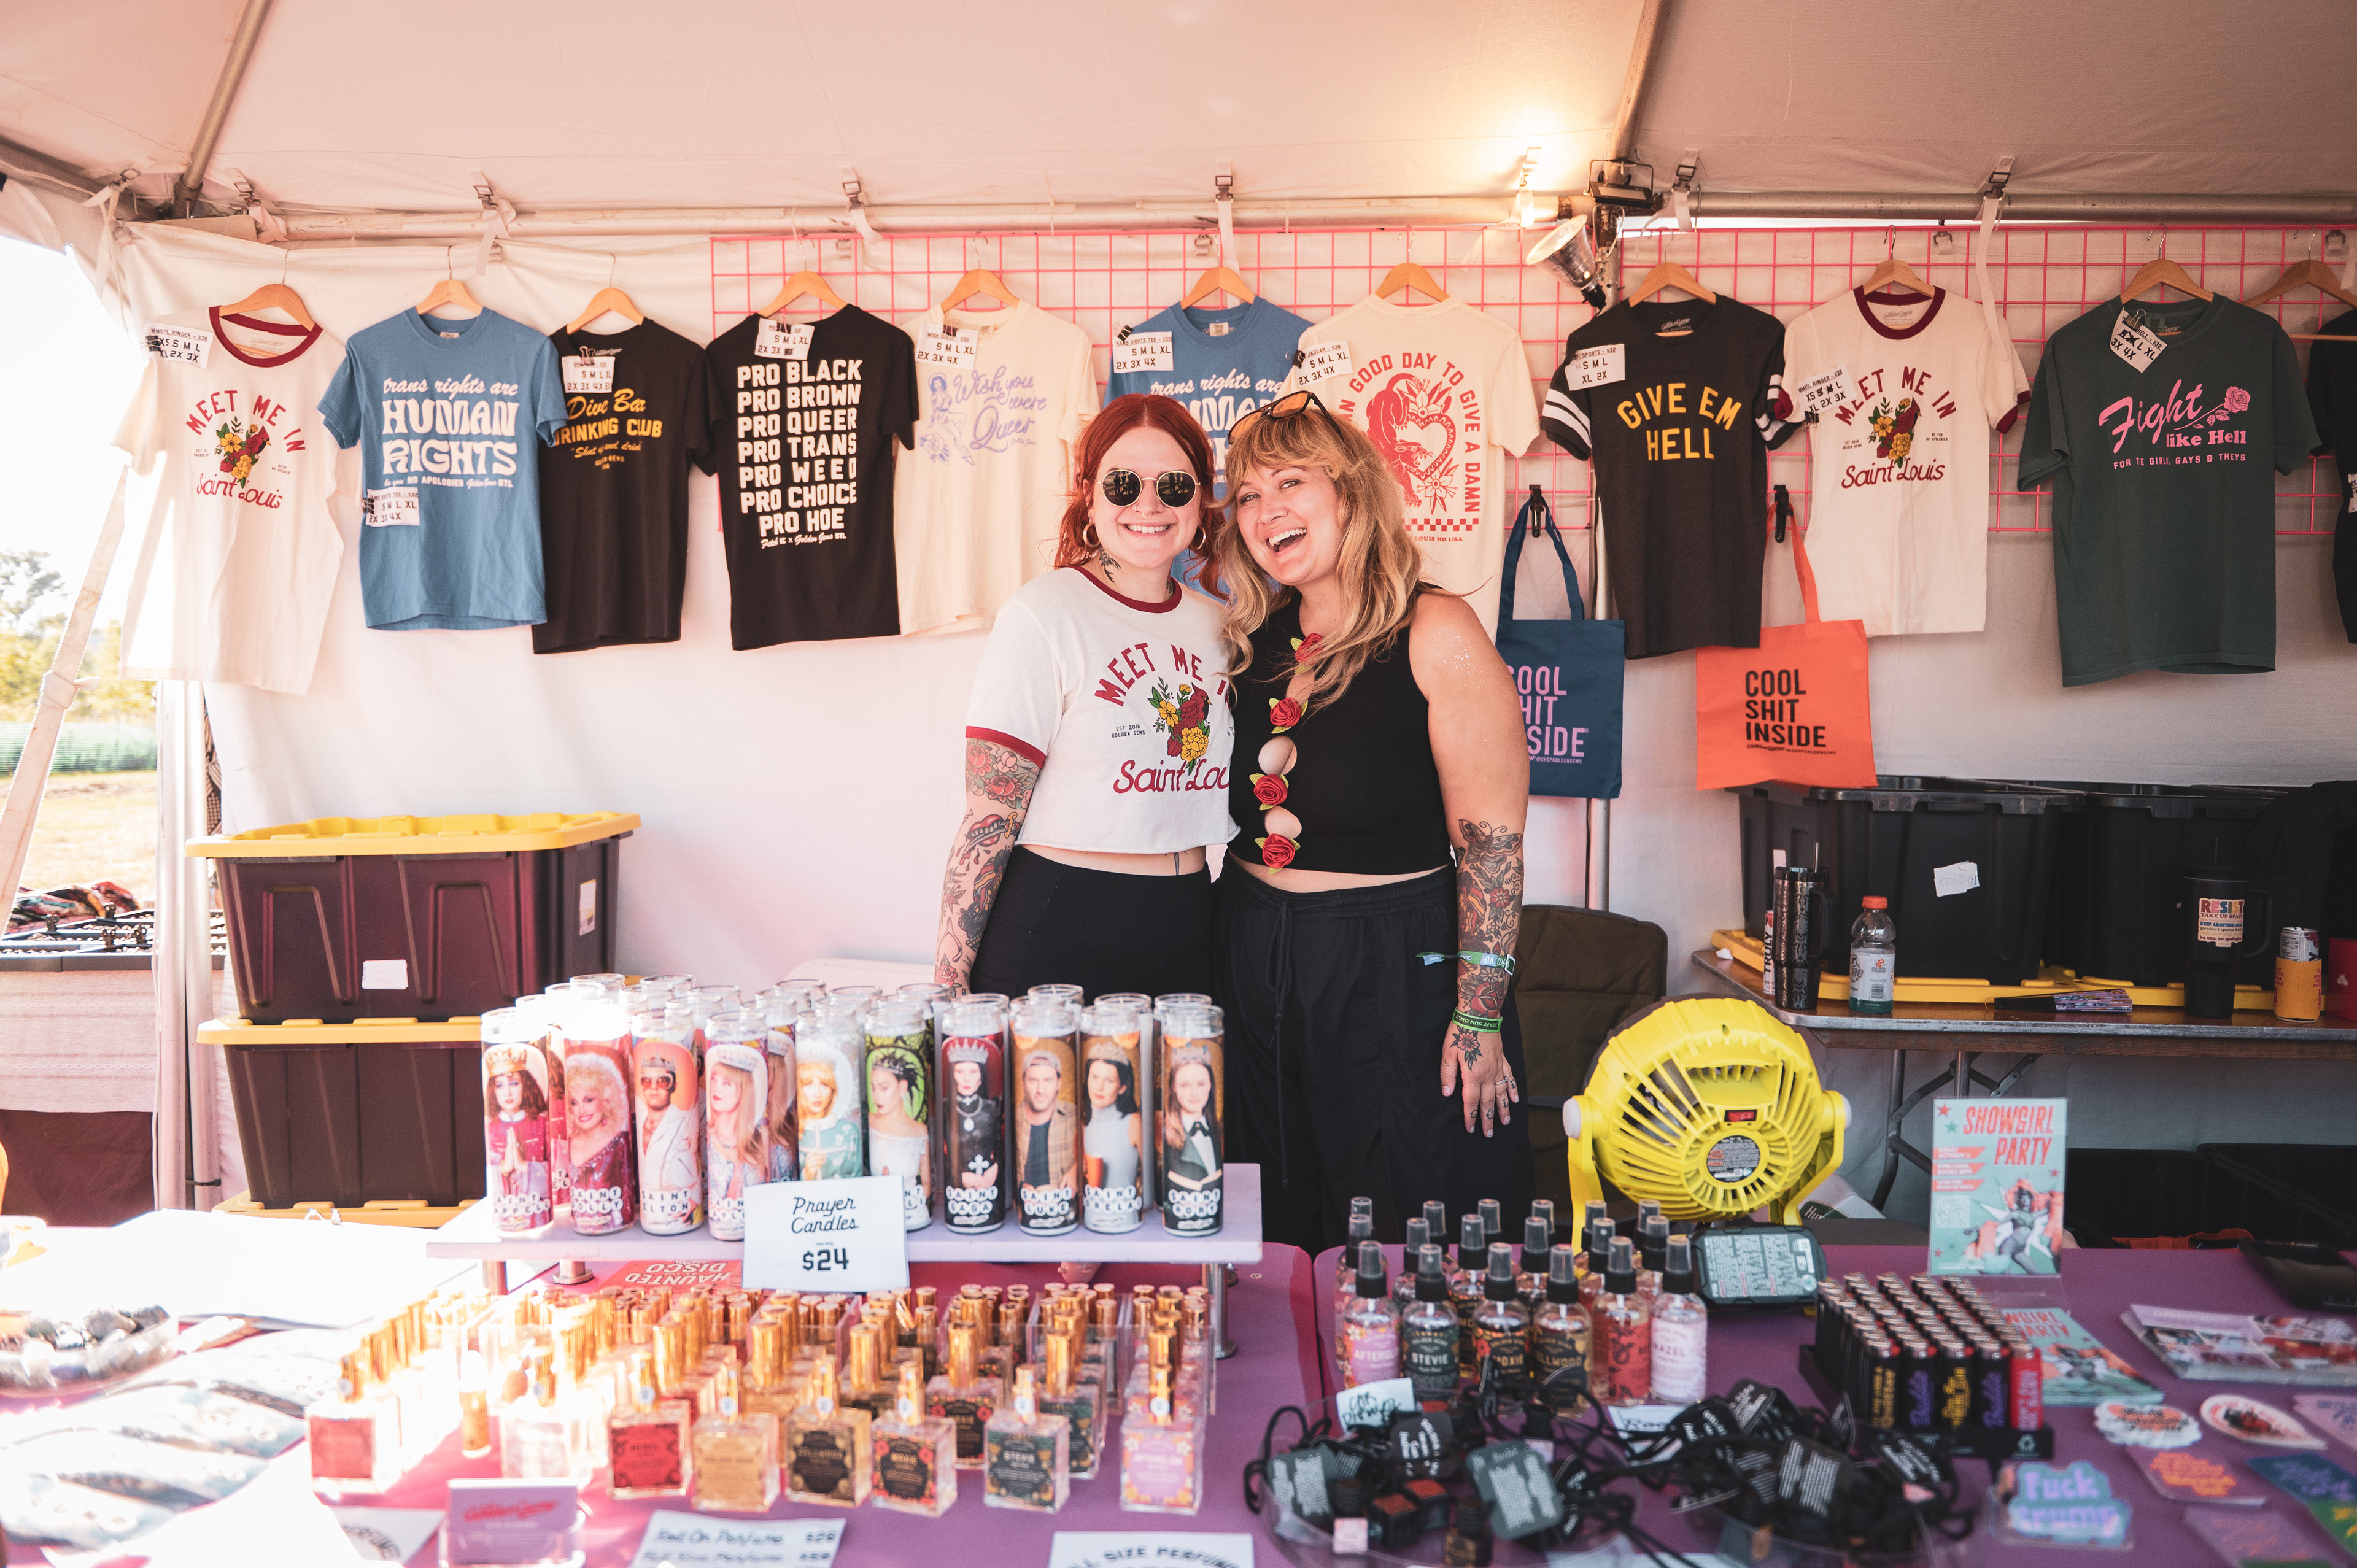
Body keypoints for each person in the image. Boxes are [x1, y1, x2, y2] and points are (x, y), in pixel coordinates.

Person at [1211, 388, 1535, 1256]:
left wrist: (1479, 1013)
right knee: (1271, 1208)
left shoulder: (1436, 627)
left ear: (1351, 490)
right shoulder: (1253, 638)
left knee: (1406, 1210)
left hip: (1391, 961)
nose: (1266, 510)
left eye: (1291, 482)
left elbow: (1492, 849)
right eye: (1248, 494)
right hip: (1253, 948)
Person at [932, 393, 1234, 999]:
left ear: (1201, 499)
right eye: (1123, 484)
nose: (1148, 504)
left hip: (1191, 920)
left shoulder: (1220, 626)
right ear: (1090, 496)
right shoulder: (1044, 613)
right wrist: (949, 980)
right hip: (1061, 920)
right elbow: (991, 813)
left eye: (1174, 485)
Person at [564, 1049, 635, 1222]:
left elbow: (624, 1203)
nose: (582, 1110)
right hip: (580, 1227)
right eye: (574, 1102)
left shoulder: (619, 1143)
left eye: (589, 1100)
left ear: (605, 1100)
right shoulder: (570, 1141)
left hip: (614, 1227)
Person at [484, 1047, 551, 1229]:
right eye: (500, 1085)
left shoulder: (542, 1123)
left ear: (525, 1086)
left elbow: (555, 1172)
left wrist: (524, 1166)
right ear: (493, 1090)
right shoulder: (490, 1128)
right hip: (504, 1217)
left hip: (537, 1214)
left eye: (514, 1084)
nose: (508, 1093)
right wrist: (504, 1168)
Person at [634, 1048, 700, 1228]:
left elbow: (696, 1161)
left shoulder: (685, 1121)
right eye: (647, 1081)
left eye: (663, 1081)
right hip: (650, 1216)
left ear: (674, 1086)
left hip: (679, 1218)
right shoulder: (640, 1118)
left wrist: (695, 1201)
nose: (654, 1087)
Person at [867, 1050, 931, 1208]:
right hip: (880, 1208)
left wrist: (906, 1202)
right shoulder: (870, 1121)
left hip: (913, 1210)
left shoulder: (920, 1131)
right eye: (873, 1088)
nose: (877, 1096)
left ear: (902, 1087)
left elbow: (927, 1184)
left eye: (884, 1088)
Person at [1015, 1046, 1078, 1204]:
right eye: (1033, 1081)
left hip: (1063, 1206)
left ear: (1059, 1083)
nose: (1041, 1090)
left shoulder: (1074, 1115)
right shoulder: (1013, 1117)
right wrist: (1022, 1188)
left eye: (1048, 1080)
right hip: (1027, 1207)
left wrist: (1075, 1170)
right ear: (1023, 1083)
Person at [706, 1049, 769, 1203]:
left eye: (727, 1083)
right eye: (714, 1080)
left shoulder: (760, 1137)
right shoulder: (707, 1135)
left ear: (743, 1091)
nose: (716, 1088)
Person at [1082, 1049, 1142, 1197]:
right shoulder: (1082, 1124)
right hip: (1092, 1208)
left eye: (1109, 1080)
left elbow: (1151, 1176)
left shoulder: (1133, 1122)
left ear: (1122, 1088)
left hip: (1126, 1208)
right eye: (1094, 1077)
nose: (1099, 1087)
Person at [1160, 1053, 1221, 1194]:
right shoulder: (1164, 1136)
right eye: (1185, 1085)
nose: (1194, 1093)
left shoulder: (1218, 1131)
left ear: (1210, 1085)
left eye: (1201, 1084)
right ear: (1174, 1087)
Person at [797, 1055, 862, 1180]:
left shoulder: (850, 1132)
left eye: (825, 1085)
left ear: (833, 1090)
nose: (817, 1094)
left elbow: (858, 1179)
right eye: (809, 1084)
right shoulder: (792, 1133)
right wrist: (807, 1175)